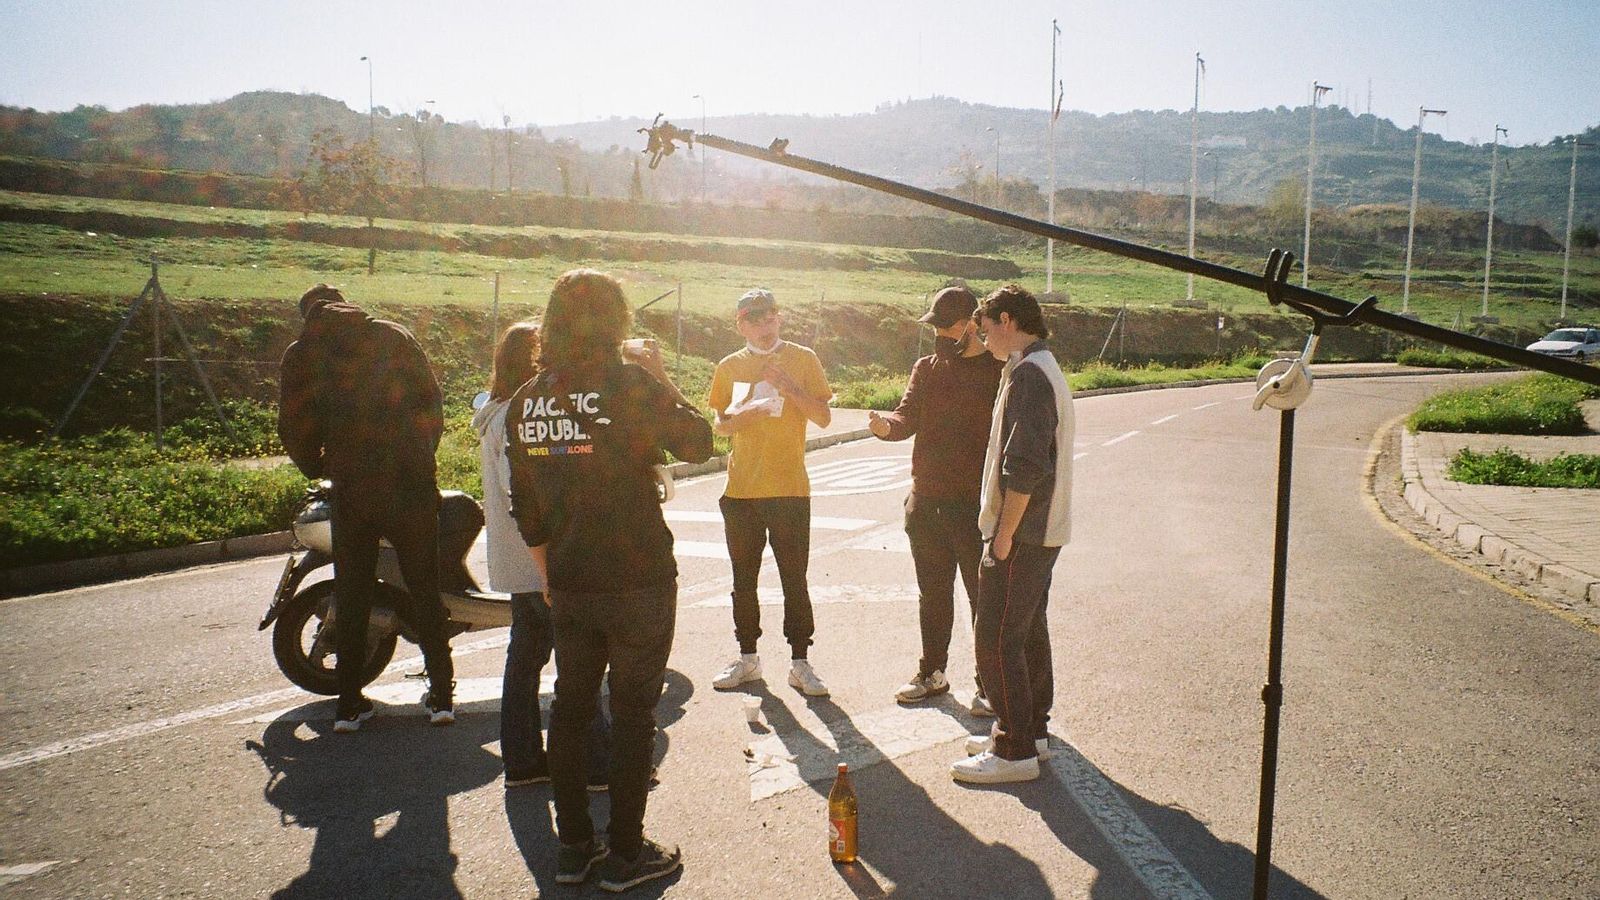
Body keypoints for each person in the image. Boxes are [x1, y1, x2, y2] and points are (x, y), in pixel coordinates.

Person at [505, 269, 712, 891]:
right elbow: (698, 442)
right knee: (632, 714)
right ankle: (626, 854)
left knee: (570, 710)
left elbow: (526, 507)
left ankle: (573, 848)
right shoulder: (628, 384)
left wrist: (548, 576)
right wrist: (659, 375)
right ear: (617, 319)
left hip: (569, 579)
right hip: (638, 575)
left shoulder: (527, 400)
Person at [278, 283, 456, 732]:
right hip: (410, 483)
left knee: (353, 593)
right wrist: (421, 456)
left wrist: (320, 466)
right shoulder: (394, 336)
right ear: (346, 303)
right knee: (424, 587)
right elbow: (432, 403)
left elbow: (293, 426)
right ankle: (441, 697)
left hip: (352, 486)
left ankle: (349, 705)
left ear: (308, 315)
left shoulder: (301, 354)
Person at [473, 322, 611, 790]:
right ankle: (595, 766)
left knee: (524, 661)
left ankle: (523, 761)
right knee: (578, 664)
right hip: (543, 561)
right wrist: (550, 564)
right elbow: (522, 493)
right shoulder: (519, 417)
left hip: (518, 564)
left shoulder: (494, 413)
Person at [951, 284, 1075, 785]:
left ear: (1007, 320)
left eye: (985, 329)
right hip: (1041, 531)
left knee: (996, 638)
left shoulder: (1029, 374)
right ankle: (1032, 731)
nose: (983, 340)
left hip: (1023, 532)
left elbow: (1024, 466)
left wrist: (1002, 536)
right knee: (1026, 632)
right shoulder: (1041, 365)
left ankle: (1013, 747)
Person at [867, 286, 1003, 707]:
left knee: (983, 599)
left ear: (974, 324)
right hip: (925, 501)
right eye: (937, 327)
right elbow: (906, 415)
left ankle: (989, 684)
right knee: (933, 594)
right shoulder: (926, 368)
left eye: (949, 327)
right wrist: (886, 427)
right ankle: (932, 673)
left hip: (974, 507)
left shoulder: (998, 372)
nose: (941, 335)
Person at [707, 289, 835, 697]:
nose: (765, 326)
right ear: (741, 325)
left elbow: (823, 418)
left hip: (789, 489)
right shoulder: (729, 366)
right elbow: (720, 424)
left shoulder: (803, 358)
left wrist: (791, 387)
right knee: (743, 580)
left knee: (794, 579)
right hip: (741, 490)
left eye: (770, 317)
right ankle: (748, 659)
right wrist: (740, 418)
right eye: (755, 319)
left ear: (779, 319)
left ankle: (800, 662)